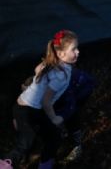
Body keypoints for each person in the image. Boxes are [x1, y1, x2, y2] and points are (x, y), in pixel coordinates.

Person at [1, 30, 80, 169]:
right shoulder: (60, 76)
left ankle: (45, 165)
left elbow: (37, 69)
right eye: (74, 49)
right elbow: (46, 101)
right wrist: (54, 118)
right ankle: (6, 163)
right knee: (26, 142)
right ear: (61, 54)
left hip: (32, 108)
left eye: (77, 48)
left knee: (54, 137)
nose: (78, 51)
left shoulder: (52, 63)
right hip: (27, 110)